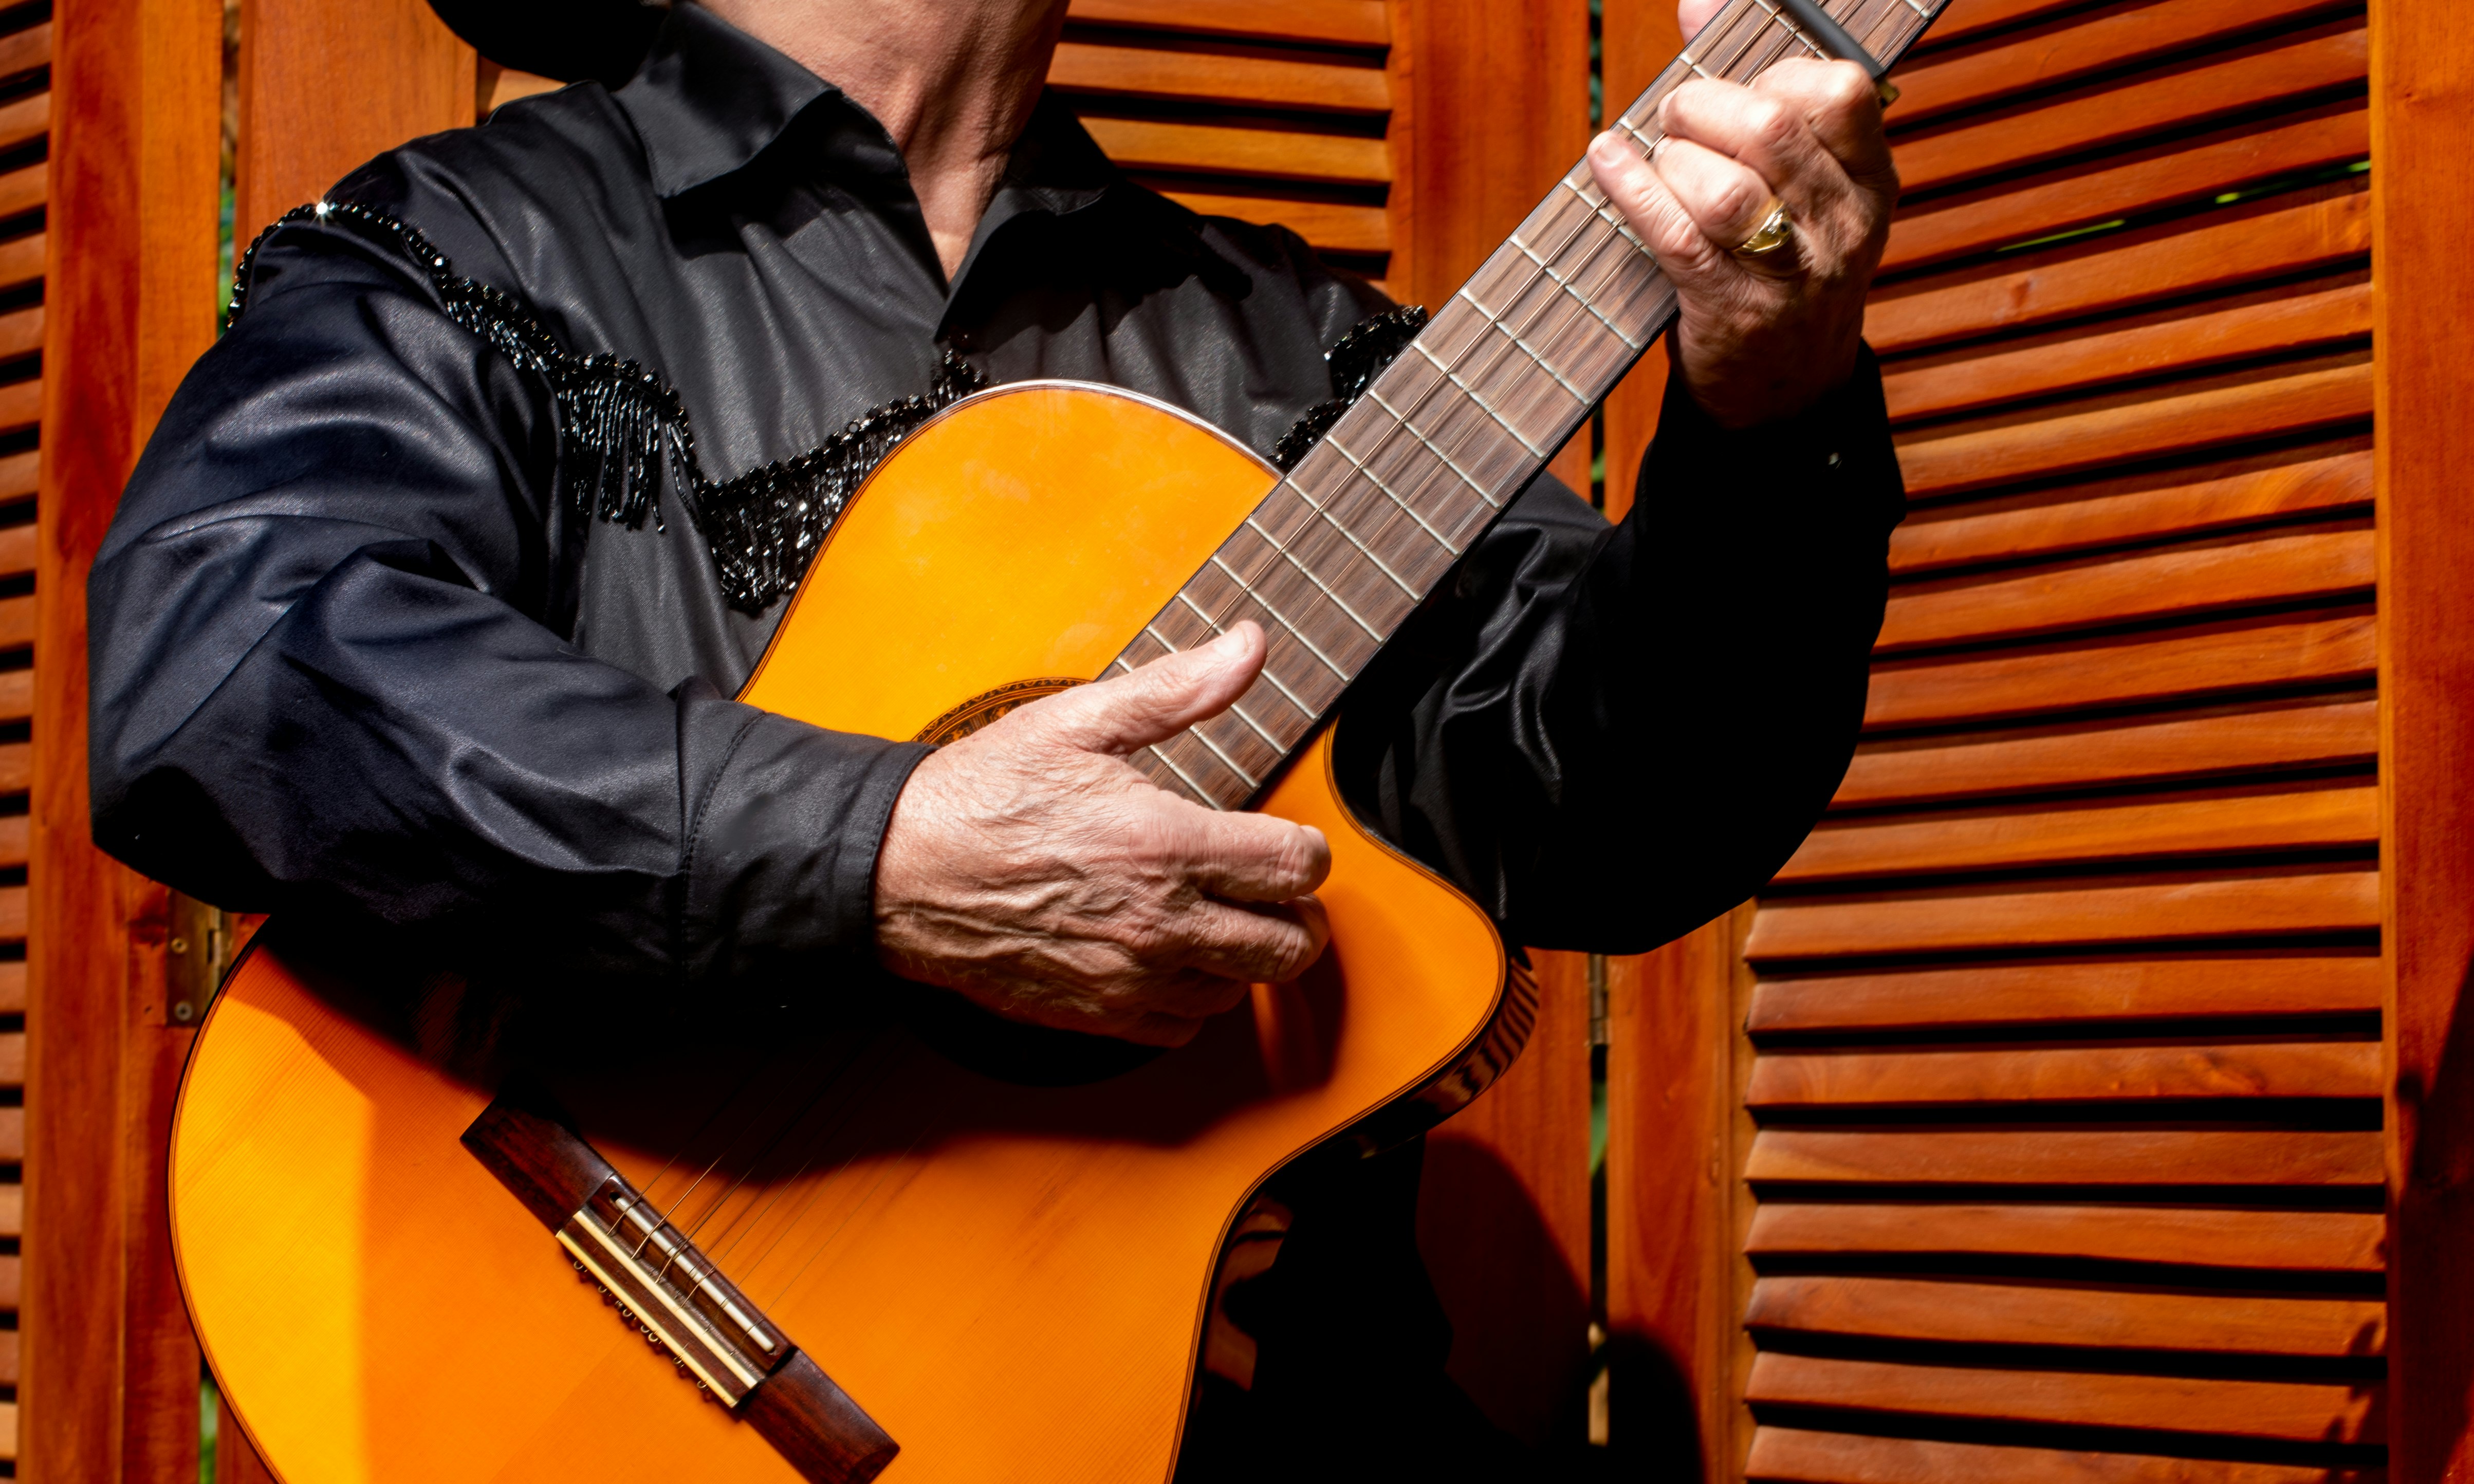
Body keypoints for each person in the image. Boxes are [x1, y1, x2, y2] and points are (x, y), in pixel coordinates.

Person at [88, 0, 1904, 1472]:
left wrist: (1776, 414)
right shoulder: (466, 246)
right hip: (536, 1298)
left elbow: (1623, 819)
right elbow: (225, 659)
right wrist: (877, 854)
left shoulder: (1303, 344)